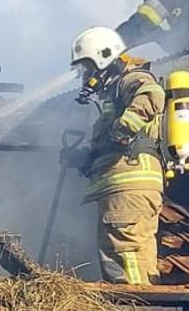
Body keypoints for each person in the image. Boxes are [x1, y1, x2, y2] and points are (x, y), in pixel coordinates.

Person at [63, 27, 166, 285]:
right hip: (126, 189)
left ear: (103, 57)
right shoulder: (113, 94)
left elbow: (152, 95)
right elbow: (110, 146)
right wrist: (83, 159)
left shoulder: (130, 79)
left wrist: (125, 126)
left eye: (87, 67)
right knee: (135, 256)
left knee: (126, 258)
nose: (84, 75)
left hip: (129, 187)